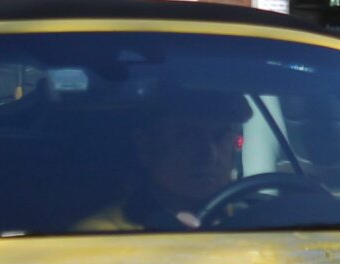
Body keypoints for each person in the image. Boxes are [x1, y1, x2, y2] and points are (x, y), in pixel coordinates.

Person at [80, 88, 250, 231]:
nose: (209, 155)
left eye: (221, 136)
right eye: (187, 137)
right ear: (144, 147)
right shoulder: (100, 235)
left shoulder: (250, 216)